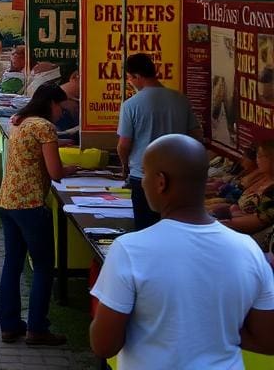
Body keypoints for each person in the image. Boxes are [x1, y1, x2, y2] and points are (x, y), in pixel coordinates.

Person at [90, 134, 274, 369]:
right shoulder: (248, 250)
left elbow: (104, 345)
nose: (142, 182)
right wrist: (215, 329)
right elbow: (268, 340)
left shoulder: (130, 249)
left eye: (145, 173)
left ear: (160, 182)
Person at [0, 83, 77, 347]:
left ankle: (9, 325)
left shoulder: (20, 122)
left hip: (8, 200)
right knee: (43, 267)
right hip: (30, 204)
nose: (61, 114)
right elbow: (55, 172)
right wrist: (71, 169)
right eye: (61, 108)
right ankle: (37, 328)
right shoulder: (44, 127)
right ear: (51, 103)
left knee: (13, 264)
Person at [116, 52, 201, 231]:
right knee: (173, 228)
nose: (130, 83)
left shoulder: (131, 105)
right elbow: (196, 136)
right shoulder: (180, 100)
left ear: (137, 76)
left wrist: (124, 167)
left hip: (144, 177)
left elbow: (124, 144)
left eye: (130, 78)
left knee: (145, 230)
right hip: (177, 176)